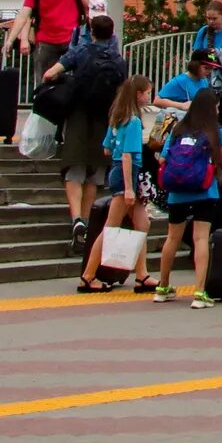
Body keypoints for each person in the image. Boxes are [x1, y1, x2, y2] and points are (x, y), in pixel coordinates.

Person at [151, 90, 222, 306]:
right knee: (201, 239)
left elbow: (162, 160)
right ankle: (199, 293)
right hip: (204, 191)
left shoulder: (178, 130)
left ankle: (162, 287)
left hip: (177, 191)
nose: (217, 109)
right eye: (216, 106)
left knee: (172, 238)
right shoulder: (216, 132)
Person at [39, 12, 130, 238]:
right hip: (105, 118)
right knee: (95, 172)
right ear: (112, 33)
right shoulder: (119, 60)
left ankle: (76, 218)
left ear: (90, 31)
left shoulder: (80, 51)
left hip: (79, 114)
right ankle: (88, 220)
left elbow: (50, 74)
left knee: (74, 167)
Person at [79, 74, 160, 294]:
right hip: (128, 174)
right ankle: (88, 275)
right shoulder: (133, 122)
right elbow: (127, 156)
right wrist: (129, 188)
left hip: (117, 171)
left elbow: (107, 148)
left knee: (142, 224)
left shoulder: (117, 117)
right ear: (138, 94)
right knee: (110, 226)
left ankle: (142, 275)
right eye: (148, 92)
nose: (150, 96)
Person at [8, 0, 91, 75]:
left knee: (73, 80)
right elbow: (24, 16)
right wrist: (11, 41)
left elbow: (87, 5)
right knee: (44, 80)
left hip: (71, 39)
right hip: (45, 41)